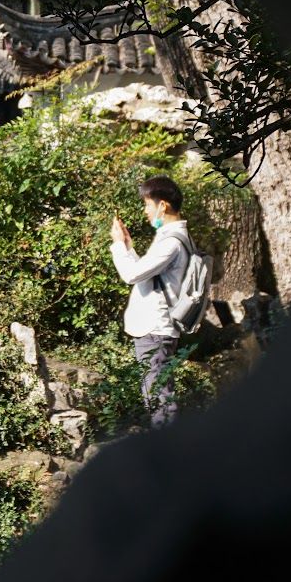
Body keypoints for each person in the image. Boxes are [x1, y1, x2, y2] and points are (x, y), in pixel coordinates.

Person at [109, 175, 191, 429]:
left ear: (162, 205)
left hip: (155, 331)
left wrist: (118, 245)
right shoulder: (172, 238)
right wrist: (130, 247)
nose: (145, 211)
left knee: (157, 397)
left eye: (147, 204)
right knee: (158, 393)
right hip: (157, 329)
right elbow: (145, 274)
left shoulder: (170, 242)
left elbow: (131, 275)